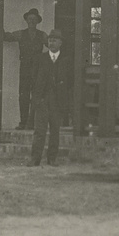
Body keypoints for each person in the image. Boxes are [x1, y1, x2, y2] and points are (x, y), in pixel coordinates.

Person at [29, 29, 71, 167]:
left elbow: (70, 83)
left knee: (55, 131)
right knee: (39, 131)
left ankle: (52, 158)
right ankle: (35, 159)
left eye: (54, 40)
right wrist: (37, 99)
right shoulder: (40, 59)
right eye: (50, 40)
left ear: (60, 43)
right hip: (42, 101)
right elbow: (33, 80)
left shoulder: (66, 60)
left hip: (57, 102)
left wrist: (65, 101)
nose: (51, 42)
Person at [3, 8, 48, 130]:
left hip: (38, 69)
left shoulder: (42, 35)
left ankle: (33, 122)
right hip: (25, 68)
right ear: (27, 21)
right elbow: (8, 36)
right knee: (23, 95)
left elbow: (52, 44)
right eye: (30, 19)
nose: (32, 21)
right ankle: (23, 122)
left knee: (37, 95)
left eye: (34, 19)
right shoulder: (21, 34)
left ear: (37, 21)